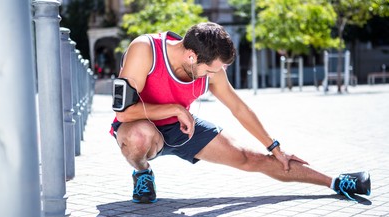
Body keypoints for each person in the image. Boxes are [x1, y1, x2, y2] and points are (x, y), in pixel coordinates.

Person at [110, 22, 370, 203]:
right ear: (191, 56)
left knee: (249, 158)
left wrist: (274, 146)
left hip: (182, 127)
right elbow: (122, 114)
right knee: (139, 139)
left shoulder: (209, 67)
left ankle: (335, 182)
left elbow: (238, 108)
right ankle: (142, 172)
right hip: (140, 125)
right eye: (211, 71)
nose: (213, 76)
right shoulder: (145, 50)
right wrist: (175, 108)